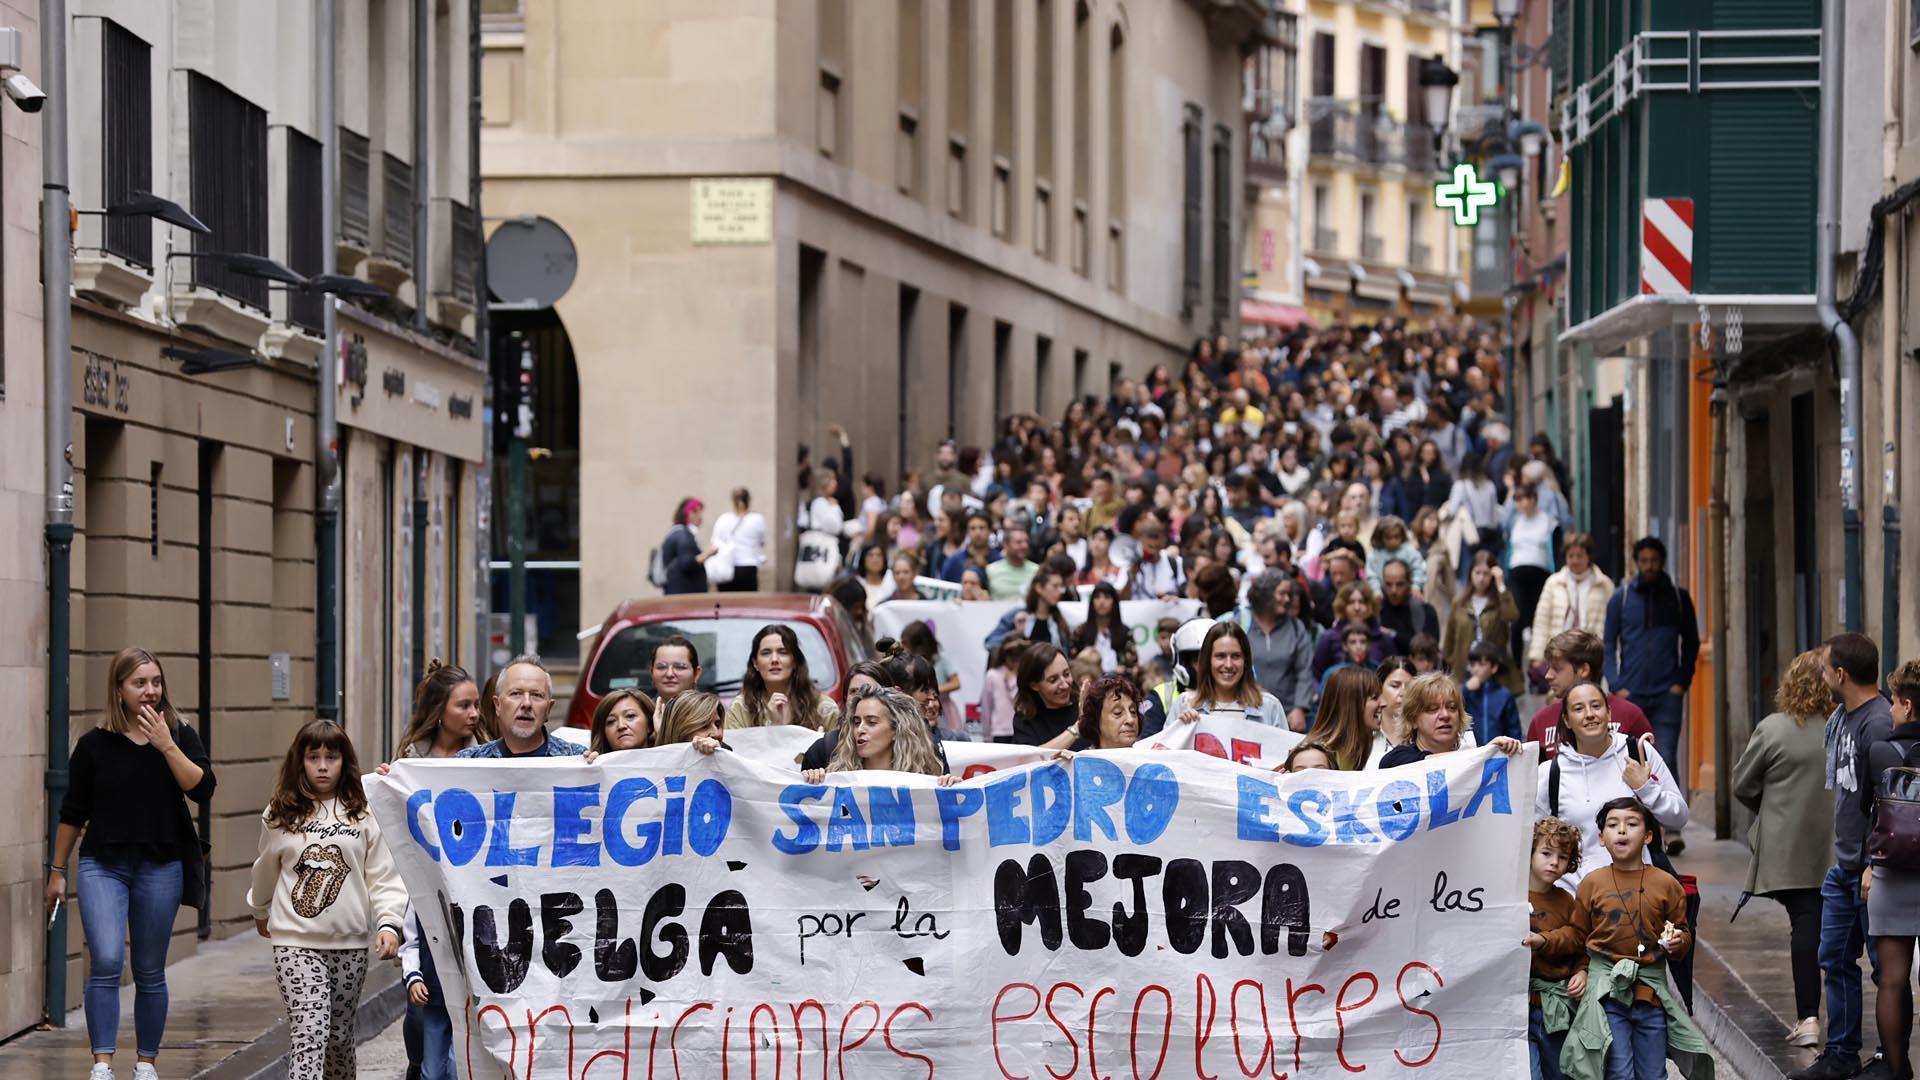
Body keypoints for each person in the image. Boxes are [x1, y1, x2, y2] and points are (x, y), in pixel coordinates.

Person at [49, 648, 217, 1080]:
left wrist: (165, 745)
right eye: (139, 683)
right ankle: (102, 1062)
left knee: (148, 968)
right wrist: (56, 871)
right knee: (105, 960)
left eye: (156, 682)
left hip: (160, 867)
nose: (150, 691)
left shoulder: (179, 733)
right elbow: (72, 812)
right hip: (102, 866)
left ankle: (146, 1062)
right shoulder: (93, 745)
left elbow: (203, 789)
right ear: (119, 689)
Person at [247, 720, 405, 1080]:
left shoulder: (362, 809)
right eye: (313, 757)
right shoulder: (281, 812)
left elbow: (382, 874)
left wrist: (389, 923)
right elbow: (266, 867)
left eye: (331, 757)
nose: (322, 765)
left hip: (349, 945)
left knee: (338, 1040)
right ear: (299, 761)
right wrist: (260, 907)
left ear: (343, 761)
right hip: (295, 941)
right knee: (309, 1034)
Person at [1532, 797, 1712, 1080]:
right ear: (1602, 838)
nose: (1622, 831)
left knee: (1654, 1074)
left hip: (1650, 995)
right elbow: (1578, 935)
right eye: (1613, 825)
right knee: (1618, 1072)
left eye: (1632, 824)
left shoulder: (1667, 885)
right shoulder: (1591, 883)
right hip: (1607, 996)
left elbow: (1682, 937)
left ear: (1649, 836)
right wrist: (1563, 955)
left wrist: (1677, 942)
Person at [1790, 633, 1895, 1080]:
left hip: (1873, 869)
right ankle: (1841, 1054)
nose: (1820, 674)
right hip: (1844, 867)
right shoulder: (1840, 718)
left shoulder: (1879, 722)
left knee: (1883, 970)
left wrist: (1875, 862)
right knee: (1833, 958)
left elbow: (1891, 801)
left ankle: (1893, 1060)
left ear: (1841, 674)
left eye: (1825, 666)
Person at [1728, 649, 1835, 1051]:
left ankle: (1809, 1018)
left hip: (1789, 851)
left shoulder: (1773, 728)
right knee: (1836, 935)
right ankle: (1844, 1026)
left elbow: (1742, 783)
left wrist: (1771, 808)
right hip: (1837, 849)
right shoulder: (1843, 727)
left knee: (1805, 929)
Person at [1534, 683, 1687, 890]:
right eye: (1579, 709)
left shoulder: (1638, 754)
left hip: (1638, 895)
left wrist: (1646, 788)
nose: (1589, 714)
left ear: (1609, 712)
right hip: (1574, 897)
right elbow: (1533, 841)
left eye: (1596, 706)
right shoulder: (1551, 773)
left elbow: (1678, 817)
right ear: (1567, 720)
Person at [1603, 536, 1700, 828]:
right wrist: (1617, 684)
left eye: (1654, 561)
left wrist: (1681, 681)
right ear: (1636, 563)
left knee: (1666, 755)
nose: (1649, 567)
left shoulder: (1678, 598)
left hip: (1667, 693)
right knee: (1630, 758)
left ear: (1663, 562)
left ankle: (1670, 826)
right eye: (1644, 561)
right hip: (1631, 693)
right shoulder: (1620, 599)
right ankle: (1639, 822)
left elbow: (1692, 643)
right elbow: (1608, 644)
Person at [1862, 660, 1920, 1080]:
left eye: (1895, 703)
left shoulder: (1880, 751)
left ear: (1907, 705)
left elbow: (1868, 811)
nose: (1891, 712)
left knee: (1893, 980)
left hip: (1891, 874)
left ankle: (1898, 1071)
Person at [1524, 817, 1587, 1080]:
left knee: (1558, 1074)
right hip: (1518, 1006)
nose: (1554, 862)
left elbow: (1579, 941)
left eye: (1562, 857)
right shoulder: (1508, 897)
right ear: (1529, 853)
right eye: (1546, 853)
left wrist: (1582, 972)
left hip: (1557, 1008)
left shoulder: (1565, 901)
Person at [1526, 629, 1654, 758]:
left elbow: (1653, 772)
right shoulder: (1540, 721)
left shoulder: (1630, 715)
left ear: (1584, 670)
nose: (1548, 676)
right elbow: (1531, 776)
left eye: (1557, 669)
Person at [802, 686, 956, 783]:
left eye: (872, 722)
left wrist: (952, 789)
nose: (860, 729)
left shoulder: (925, 779)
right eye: (856, 722)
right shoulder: (835, 777)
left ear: (896, 730)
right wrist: (812, 783)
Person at [457, 655, 591, 758]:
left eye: (536, 695)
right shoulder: (469, 762)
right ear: (498, 705)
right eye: (516, 694)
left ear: (548, 709)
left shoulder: (576, 758)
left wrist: (598, 771)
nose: (526, 703)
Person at [1378, 672, 1520, 768]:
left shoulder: (1475, 759)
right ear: (1413, 719)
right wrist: (1483, 755)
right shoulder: (1396, 760)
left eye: (1452, 708)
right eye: (1432, 709)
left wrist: (1495, 753)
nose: (1445, 715)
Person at [725, 623, 841, 731]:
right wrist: (774, 727)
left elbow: (839, 751)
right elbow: (734, 752)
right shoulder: (740, 709)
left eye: (783, 652)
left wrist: (820, 746)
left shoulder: (825, 709)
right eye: (766, 653)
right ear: (755, 663)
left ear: (795, 661)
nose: (774, 659)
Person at [1171, 621, 1289, 727]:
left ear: (1246, 661)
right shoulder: (1183, 705)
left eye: (1236, 656)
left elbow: (1285, 750)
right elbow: (1162, 749)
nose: (1228, 665)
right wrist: (1179, 729)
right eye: (1220, 656)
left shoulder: (1270, 708)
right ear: (1208, 661)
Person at [1527, 532, 1613, 676]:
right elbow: (1542, 621)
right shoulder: (1553, 583)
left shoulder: (1604, 585)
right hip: (1559, 655)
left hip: (1590, 657)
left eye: (1579, 555)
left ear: (1588, 556)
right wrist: (1537, 656)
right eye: (1571, 556)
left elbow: (1610, 626)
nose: (1575, 560)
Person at [1242, 568, 1316, 729]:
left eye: (1289, 594)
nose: (1287, 599)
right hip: (1246, 711)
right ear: (1265, 594)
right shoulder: (1242, 623)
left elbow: (1304, 671)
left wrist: (1300, 708)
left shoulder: (1296, 628)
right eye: (1282, 593)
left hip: (1286, 715)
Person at [1442, 552, 1523, 694]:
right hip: (1465, 670)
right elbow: (1449, 639)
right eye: (1477, 572)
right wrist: (1452, 662)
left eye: (1486, 574)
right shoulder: (1459, 602)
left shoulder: (1499, 601)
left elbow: (1512, 616)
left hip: (1493, 671)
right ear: (1470, 573)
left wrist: (1501, 585)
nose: (1481, 578)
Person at [1503, 482, 1560, 665]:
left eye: (1524, 499)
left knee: (1539, 621)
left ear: (1534, 499)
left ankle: (1539, 669)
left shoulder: (1549, 522)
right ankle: (1517, 668)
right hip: (1516, 573)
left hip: (1540, 574)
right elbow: (1508, 549)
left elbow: (1556, 551)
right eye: (1517, 500)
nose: (1521, 504)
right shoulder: (1515, 522)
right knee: (1516, 621)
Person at [395, 660, 491, 759]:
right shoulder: (410, 754)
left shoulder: (487, 757)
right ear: (439, 710)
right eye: (464, 705)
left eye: (476, 705)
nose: (474, 714)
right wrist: (383, 773)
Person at [1309, 582, 1395, 679]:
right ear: (1343, 606)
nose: (1357, 607)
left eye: (1362, 602)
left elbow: (1392, 675)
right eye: (1351, 602)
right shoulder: (1329, 637)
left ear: (1370, 605)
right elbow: (1316, 674)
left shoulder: (1383, 638)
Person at [1310, 665, 1381, 771]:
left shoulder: (1356, 748)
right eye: (1375, 698)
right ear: (1352, 705)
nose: (1383, 703)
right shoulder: (1315, 756)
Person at [985, 566, 1072, 652]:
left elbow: (1065, 655)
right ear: (1039, 588)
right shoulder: (1016, 616)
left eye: (1061, 587)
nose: (1060, 591)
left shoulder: (1059, 620)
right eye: (1055, 586)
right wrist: (1017, 635)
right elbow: (990, 643)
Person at [1012, 643, 1080, 749]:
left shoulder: (1086, 707)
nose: (1065, 685)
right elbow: (1032, 759)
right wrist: (1076, 729)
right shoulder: (1025, 720)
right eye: (1053, 680)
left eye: (1066, 674)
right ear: (1034, 685)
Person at [1072, 580, 1139, 677]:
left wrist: (1123, 670)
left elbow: (1133, 665)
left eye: (1107, 597)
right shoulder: (1080, 631)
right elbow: (1073, 662)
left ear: (1114, 602)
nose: (1101, 602)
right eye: (1097, 597)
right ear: (1092, 602)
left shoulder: (1125, 632)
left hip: (1118, 682)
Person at [1376, 557, 1440, 657]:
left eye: (1399, 584)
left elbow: (1429, 651)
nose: (1394, 590)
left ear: (1409, 583)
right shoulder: (1375, 611)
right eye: (1389, 584)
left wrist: (1394, 635)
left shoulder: (1425, 612)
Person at [711, 487, 768, 592]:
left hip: (726, 568)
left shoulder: (723, 519)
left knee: (726, 604)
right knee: (747, 604)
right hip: (748, 567)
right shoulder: (757, 519)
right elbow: (762, 542)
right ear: (749, 500)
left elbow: (715, 542)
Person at [1463, 642, 1521, 746]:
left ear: (1493, 668)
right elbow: (1453, 702)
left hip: (1499, 751)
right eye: (1472, 665)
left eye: (1481, 664)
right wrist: (1466, 689)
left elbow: (1513, 728)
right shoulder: (1467, 692)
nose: (1475, 669)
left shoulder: (1504, 695)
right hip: (1474, 752)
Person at [660, 497, 717, 595]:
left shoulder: (677, 533)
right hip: (684, 594)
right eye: (695, 512)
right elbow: (687, 563)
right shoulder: (683, 535)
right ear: (687, 514)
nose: (700, 516)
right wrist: (708, 553)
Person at [1072, 673, 1143, 750]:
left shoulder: (1151, 757)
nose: (1131, 720)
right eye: (1118, 713)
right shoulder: (1080, 761)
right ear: (1095, 720)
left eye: (1133, 712)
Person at [979, 636, 1028, 744]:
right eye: (1014, 658)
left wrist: (1012, 680)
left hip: (1023, 729)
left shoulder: (1024, 675)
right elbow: (987, 707)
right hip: (1000, 732)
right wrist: (986, 736)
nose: (1017, 663)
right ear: (1006, 656)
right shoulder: (993, 675)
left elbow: (1020, 704)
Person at [1365, 515, 1427, 595]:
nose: (1393, 541)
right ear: (1380, 537)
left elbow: (1419, 569)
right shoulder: (1374, 555)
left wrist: (1416, 586)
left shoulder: (1409, 551)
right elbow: (1371, 576)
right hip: (1382, 595)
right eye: (1388, 538)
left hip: (1407, 594)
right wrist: (1376, 591)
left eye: (1396, 537)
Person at [655, 691, 728, 754]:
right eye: (703, 725)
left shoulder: (728, 759)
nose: (716, 733)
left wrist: (720, 759)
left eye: (717, 725)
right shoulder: (650, 764)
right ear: (678, 730)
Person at [589, 688, 656, 754]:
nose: (621, 726)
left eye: (630, 716)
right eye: (611, 721)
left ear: (649, 724)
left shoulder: (665, 756)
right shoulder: (594, 762)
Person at [940, 511, 999, 583]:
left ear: (990, 530)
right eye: (973, 528)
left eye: (982, 528)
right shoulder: (953, 562)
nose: (977, 533)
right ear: (967, 532)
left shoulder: (998, 561)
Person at [987, 524, 1041, 601]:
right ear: (1006, 545)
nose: (1025, 546)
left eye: (1026, 542)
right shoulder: (991, 571)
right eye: (1019, 542)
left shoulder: (1037, 571)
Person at [1077, 525, 1129, 590]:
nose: (1096, 544)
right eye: (1093, 539)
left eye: (1101, 540)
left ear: (1110, 543)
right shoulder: (1083, 574)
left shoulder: (1119, 570)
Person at [854, 541, 894, 613]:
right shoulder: (856, 583)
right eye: (870, 555)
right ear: (863, 559)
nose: (875, 560)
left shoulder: (892, 579)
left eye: (879, 555)